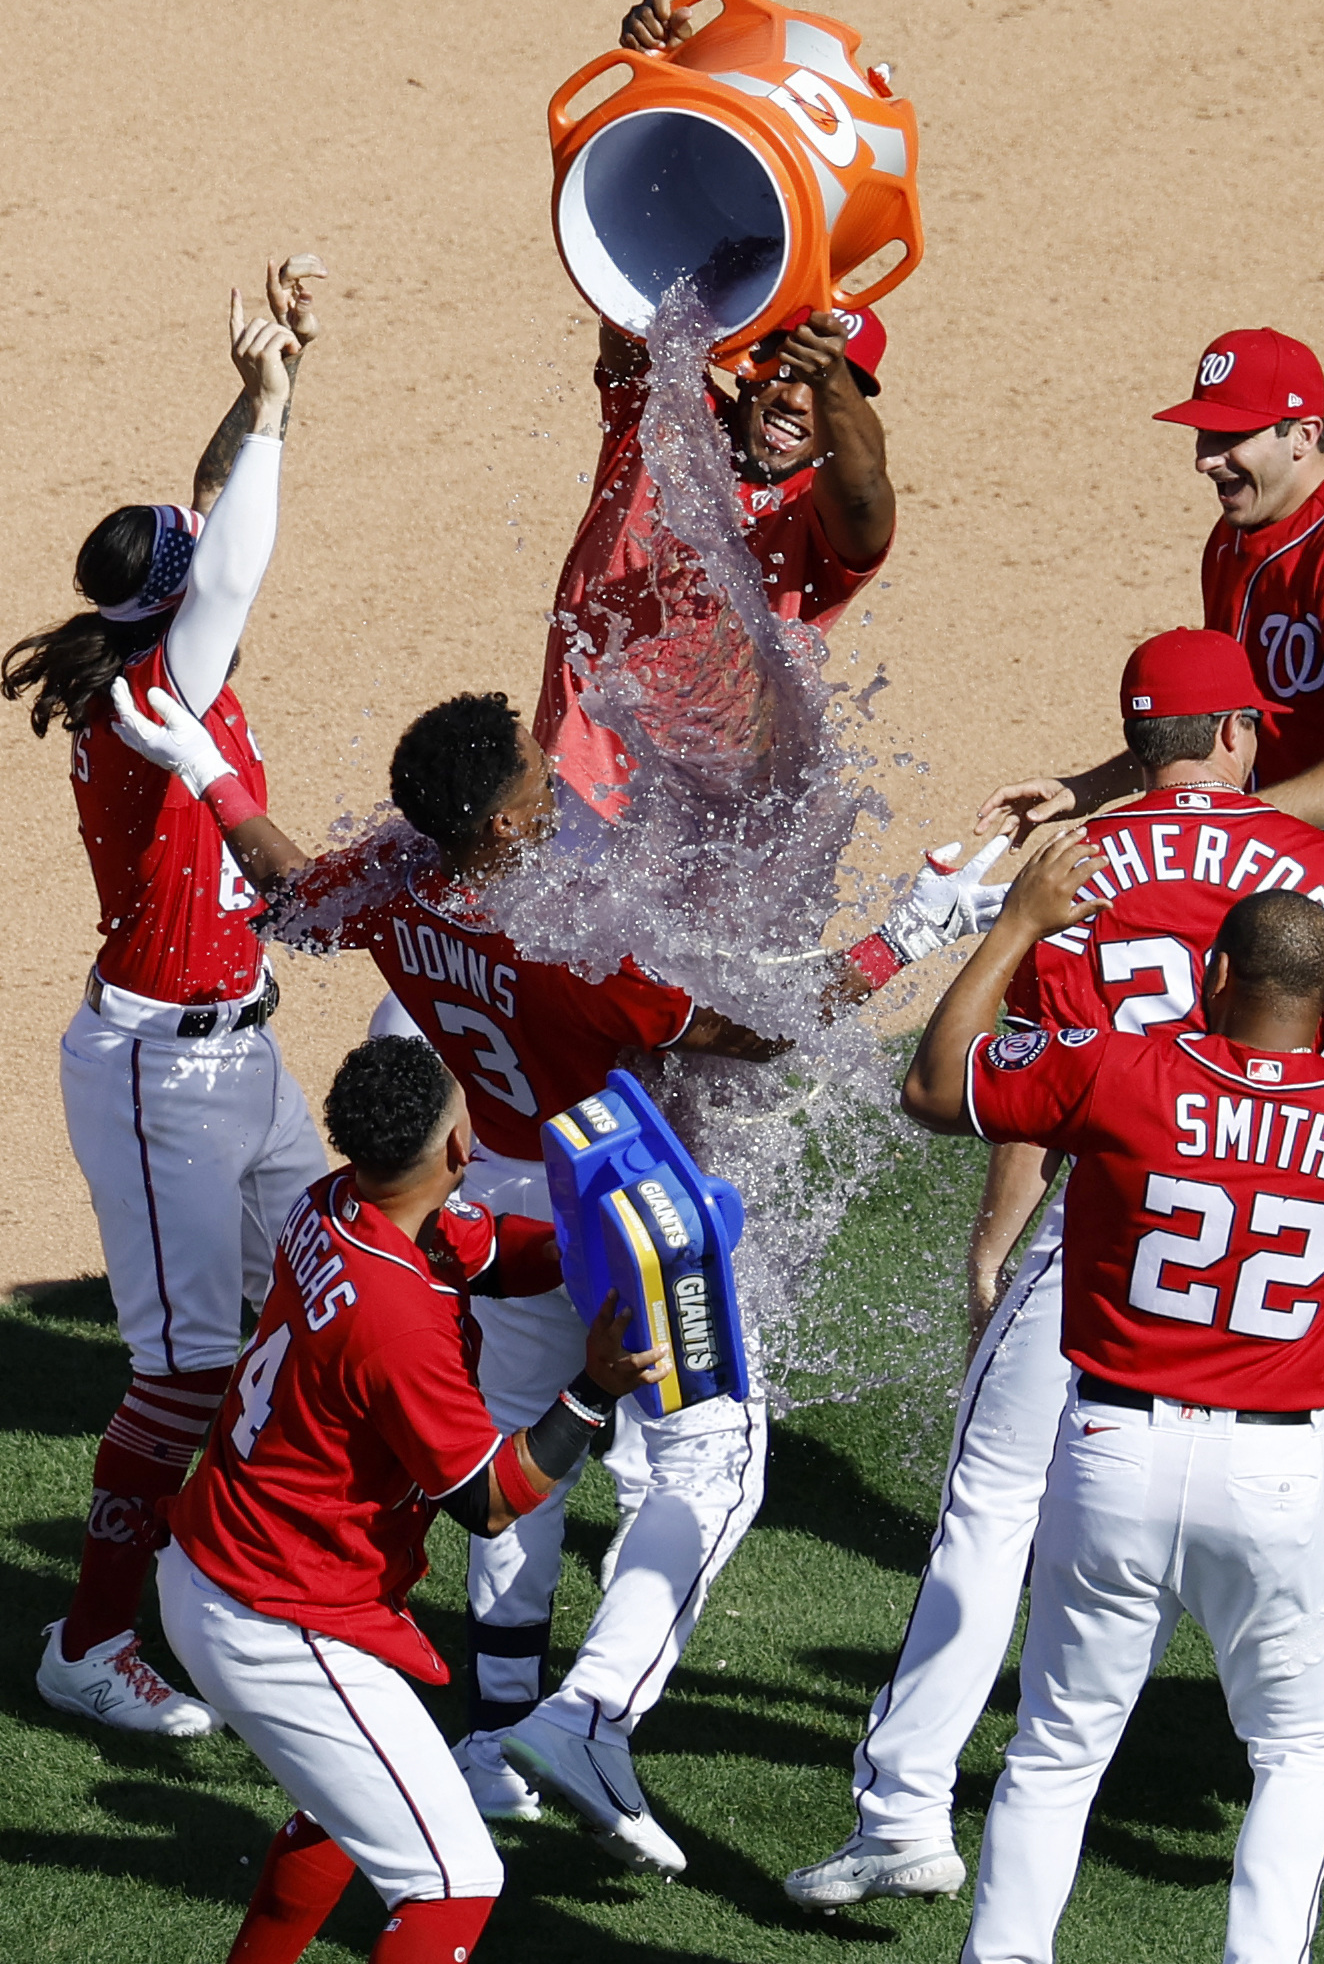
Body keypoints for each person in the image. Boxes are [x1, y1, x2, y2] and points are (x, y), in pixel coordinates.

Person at [108, 681, 1010, 1874]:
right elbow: (766, 1024)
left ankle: (495, 1732)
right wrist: (918, 924)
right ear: (495, 827)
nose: (557, 785)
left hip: (486, 1190)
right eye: (538, 781)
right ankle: (587, 1719)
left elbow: (288, 890)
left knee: (515, 1441)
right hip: (604, 1202)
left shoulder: (397, 880)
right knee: (718, 1458)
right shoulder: (568, 947)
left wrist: (208, 778)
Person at [785, 625, 1324, 1909]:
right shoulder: (1306, 870)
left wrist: (994, 1245)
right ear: (1238, 733)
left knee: (990, 1503)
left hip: (1109, 1227)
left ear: (1135, 741)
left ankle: (906, 1806)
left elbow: (1029, 1085)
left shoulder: (1074, 865)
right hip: (1283, 1241)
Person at [0, 259, 327, 1735]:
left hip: (241, 1060)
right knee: (185, 1370)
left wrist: (271, 391)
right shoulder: (160, 697)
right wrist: (271, 414)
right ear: (174, 603)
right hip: (158, 1082)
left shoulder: (163, 655)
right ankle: (87, 1644)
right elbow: (236, 558)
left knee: (317, 1302)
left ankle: (247, 1574)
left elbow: (215, 522)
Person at [901, 853, 1324, 1964]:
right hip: (1282, 1472)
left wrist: (1014, 927)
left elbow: (934, 1085)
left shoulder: (1119, 1069)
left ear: (1215, 972)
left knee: (1054, 1751)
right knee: (1298, 1751)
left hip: (1109, 1451)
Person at [158, 1033, 667, 1964]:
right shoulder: (392, 1326)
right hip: (280, 1617)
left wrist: (608, 1247)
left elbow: (488, 1252)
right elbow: (490, 1499)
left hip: (222, 1567)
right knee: (452, 1882)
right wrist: (590, 1391)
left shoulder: (339, 1202)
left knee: (343, 1816)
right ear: (459, 1151)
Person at [534, 0, 897, 823]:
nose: (793, 395)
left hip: (699, 837)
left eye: (830, 383)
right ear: (749, 360)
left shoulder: (820, 523)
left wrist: (831, 375)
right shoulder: (663, 417)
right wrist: (660, 82)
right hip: (572, 798)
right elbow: (634, 288)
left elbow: (868, 489)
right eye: (784, 362)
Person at [977, 329, 1324, 846]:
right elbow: (1207, 736)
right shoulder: (1230, 539)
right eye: (1203, 434)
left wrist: (1227, 824)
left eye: (1231, 438)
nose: (1205, 460)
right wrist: (1088, 788)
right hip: (1261, 843)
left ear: (1303, 434)